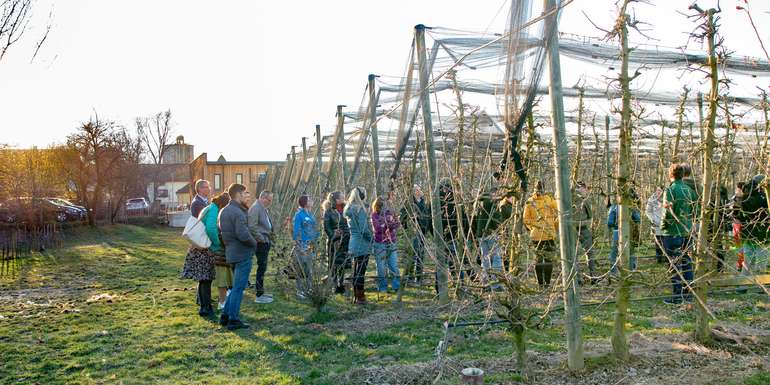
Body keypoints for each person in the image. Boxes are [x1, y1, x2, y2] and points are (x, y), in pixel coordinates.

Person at [218, 183, 257, 330]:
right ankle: (233, 320)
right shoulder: (237, 212)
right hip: (242, 253)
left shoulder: (224, 211)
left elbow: (220, 233)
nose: (245, 196)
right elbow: (242, 234)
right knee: (238, 289)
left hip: (231, 253)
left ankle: (225, 316)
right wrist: (254, 243)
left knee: (235, 287)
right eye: (244, 193)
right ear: (238, 194)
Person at [181, 192, 223, 317]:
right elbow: (210, 228)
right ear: (222, 204)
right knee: (206, 278)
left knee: (203, 279)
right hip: (204, 249)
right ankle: (205, 308)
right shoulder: (214, 209)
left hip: (198, 247)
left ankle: (203, 304)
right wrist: (216, 243)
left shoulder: (209, 207)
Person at [661, 164, 698, 305]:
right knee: (687, 262)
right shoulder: (689, 190)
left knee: (674, 263)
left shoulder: (670, 190)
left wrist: (663, 227)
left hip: (673, 231)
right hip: (687, 230)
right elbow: (696, 210)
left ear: (671, 175)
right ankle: (689, 293)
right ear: (683, 175)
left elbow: (667, 212)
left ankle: (677, 296)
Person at [523, 180, 559, 288]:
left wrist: (532, 228)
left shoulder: (529, 202)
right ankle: (547, 284)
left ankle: (540, 284)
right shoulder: (550, 200)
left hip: (535, 235)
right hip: (549, 234)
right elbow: (558, 214)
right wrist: (554, 227)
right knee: (548, 259)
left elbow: (526, 220)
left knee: (538, 259)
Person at [735, 175, 769, 287]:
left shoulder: (744, 196)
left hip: (748, 233)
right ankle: (761, 286)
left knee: (748, 261)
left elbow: (739, 217)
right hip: (762, 234)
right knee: (761, 261)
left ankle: (742, 286)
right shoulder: (764, 198)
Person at [344, 186, 373, 305]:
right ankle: (360, 297)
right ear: (362, 196)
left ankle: (356, 296)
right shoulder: (359, 210)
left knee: (356, 271)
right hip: (362, 244)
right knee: (361, 271)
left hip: (353, 242)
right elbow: (364, 229)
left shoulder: (349, 209)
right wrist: (372, 239)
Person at [400, 185, 432, 285]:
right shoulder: (408, 203)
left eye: (419, 189)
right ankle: (409, 277)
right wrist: (410, 220)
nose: (418, 191)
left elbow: (427, 217)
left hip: (422, 232)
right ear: (413, 192)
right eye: (416, 190)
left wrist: (427, 230)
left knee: (421, 255)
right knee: (412, 254)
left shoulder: (424, 202)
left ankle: (419, 277)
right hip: (413, 233)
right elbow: (402, 218)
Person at [248, 191, 275, 304]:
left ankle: (261, 291)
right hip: (260, 243)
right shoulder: (255, 208)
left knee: (263, 267)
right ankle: (259, 294)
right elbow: (252, 226)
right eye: (269, 200)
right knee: (261, 267)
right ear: (262, 198)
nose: (270, 202)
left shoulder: (262, 208)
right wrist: (261, 239)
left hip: (265, 241)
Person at [607, 190, 642, 276]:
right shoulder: (630, 207)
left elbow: (609, 223)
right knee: (630, 251)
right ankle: (631, 270)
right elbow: (638, 219)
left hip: (617, 232)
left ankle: (613, 272)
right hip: (627, 232)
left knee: (614, 253)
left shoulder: (614, 207)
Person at [372, 195, 401, 293]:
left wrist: (390, 224)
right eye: (383, 205)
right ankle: (382, 287)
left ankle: (396, 286)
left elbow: (397, 224)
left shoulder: (391, 213)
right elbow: (378, 228)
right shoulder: (374, 215)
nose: (386, 207)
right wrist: (387, 223)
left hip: (391, 242)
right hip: (380, 243)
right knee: (381, 266)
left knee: (393, 264)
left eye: (387, 205)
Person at [322, 191, 350, 294]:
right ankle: (334, 286)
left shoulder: (346, 209)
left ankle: (341, 285)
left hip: (345, 240)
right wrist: (333, 234)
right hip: (334, 242)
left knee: (342, 264)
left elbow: (349, 223)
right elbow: (326, 226)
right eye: (342, 197)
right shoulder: (328, 211)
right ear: (337, 199)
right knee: (333, 264)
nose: (344, 198)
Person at [292, 195, 319, 300]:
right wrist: (300, 246)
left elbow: (314, 228)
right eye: (310, 200)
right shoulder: (299, 215)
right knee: (300, 269)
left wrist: (316, 238)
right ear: (304, 202)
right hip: (302, 246)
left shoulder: (310, 214)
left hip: (311, 245)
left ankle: (309, 288)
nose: (312, 201)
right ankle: (300, 291)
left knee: (309, 269)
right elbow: (296, 231)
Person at [572, 181, 597, 282]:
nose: (585, 190)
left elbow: (590, 215)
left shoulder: (572, 198)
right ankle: (589, 276)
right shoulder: (582, 199)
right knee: (585, 253)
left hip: (578, 229)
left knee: (584, 253)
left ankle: (590, 277)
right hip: (577, 229)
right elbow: (590, 215)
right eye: (584, 188)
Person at [646, 186, 666, 264]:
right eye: (657, 190)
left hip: (666, 223)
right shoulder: (651, 199)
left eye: (660, 190)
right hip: (656, 223)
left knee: (666, 241)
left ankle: (666, 257)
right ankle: (659, 258)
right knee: (658, 242)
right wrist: (653, 219)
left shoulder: (667, 198)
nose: (658, 192)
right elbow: (648, 211)